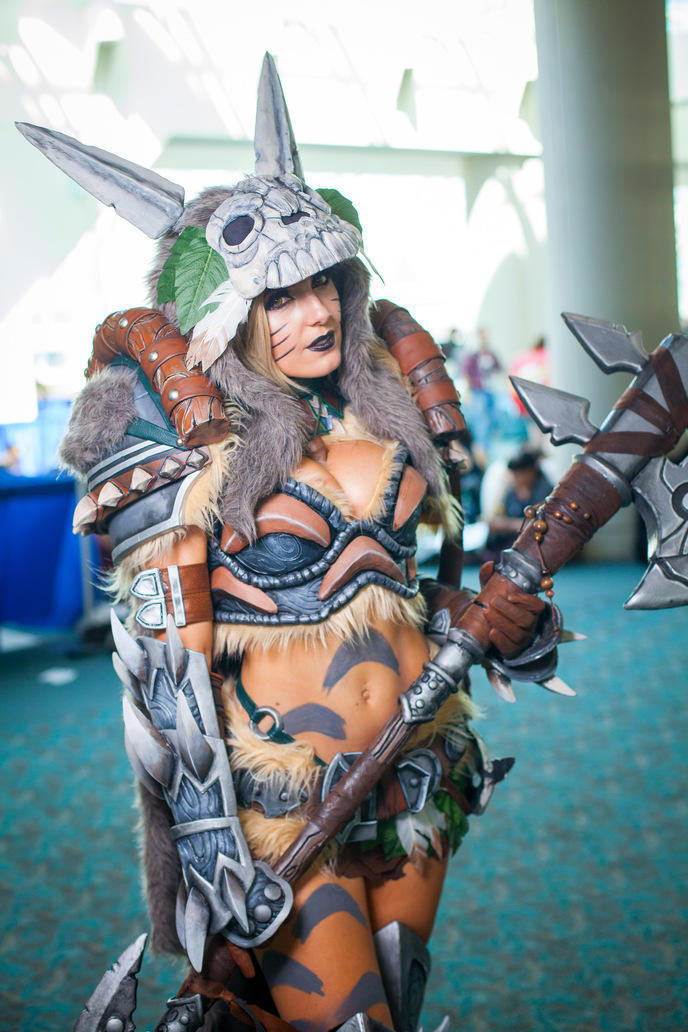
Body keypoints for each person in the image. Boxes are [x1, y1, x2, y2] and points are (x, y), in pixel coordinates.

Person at [32, 55, 548, 1032]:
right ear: (223, 314)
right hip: (283, 806)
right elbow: (164, 664)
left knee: (392, 997)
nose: (316, 312)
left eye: (323, 283)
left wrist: (501, 621)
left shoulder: (378, 403)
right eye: (278, 296)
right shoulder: (178, 440)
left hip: (421, 772)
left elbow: (411, 592)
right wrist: (209, 838)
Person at [485, 448, 553, 559]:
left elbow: (541, 525)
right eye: (514, 474)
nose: (515, 478)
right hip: (512, 540)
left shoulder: (545, 491)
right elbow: (500, 513)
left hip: (536, 544)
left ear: (531, 472)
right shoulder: (512, 491)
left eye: (519, 474)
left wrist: (508, 525)